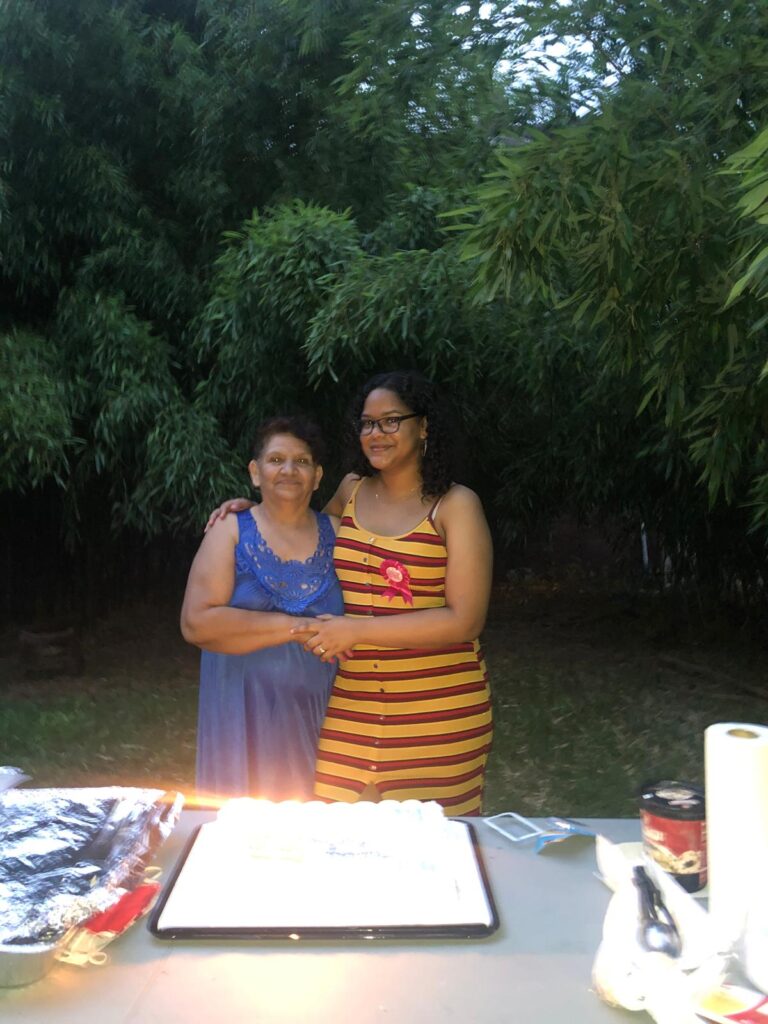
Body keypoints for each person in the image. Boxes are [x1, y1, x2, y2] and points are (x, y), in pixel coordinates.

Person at [209, 372, 493, 814]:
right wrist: (255, 511)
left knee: (435, 844)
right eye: (367, 423)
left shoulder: (455, 505)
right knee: (338, 839)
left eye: (391, 420)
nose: (376, 433)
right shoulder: (351, 491)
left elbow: (465, 620)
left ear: (424, 427)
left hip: (438, 711)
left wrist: (355, 631)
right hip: (351, 707)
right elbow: (301, 535)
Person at [181, 416, 343, 800]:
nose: (288, 470)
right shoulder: (230, 530)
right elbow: (196, 624)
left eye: (302, 461)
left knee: (323, 828)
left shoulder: (341, 533)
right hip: (240, 720)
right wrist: (297, 628)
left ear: (317, 477)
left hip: (325, 721)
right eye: (276, 460)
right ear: (255, 472)